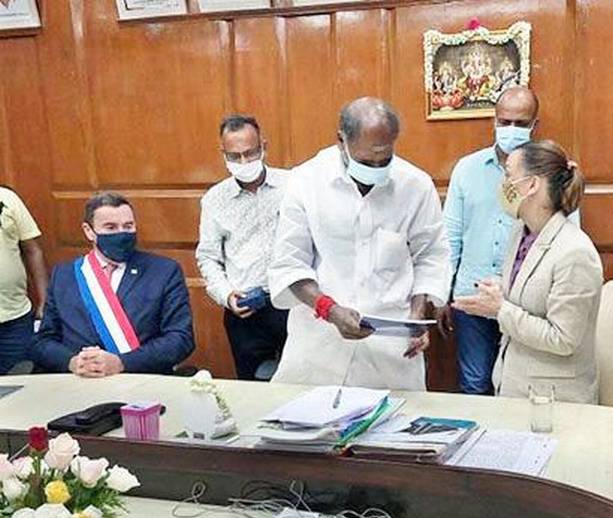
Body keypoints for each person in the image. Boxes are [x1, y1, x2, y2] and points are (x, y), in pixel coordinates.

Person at [268, 97, 451, 391]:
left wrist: (416, 318)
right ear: (341, 141)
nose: (376, 167)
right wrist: (329, 310)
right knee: (307, 414)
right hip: (319, 342)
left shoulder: (415, 185)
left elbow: (431, 256)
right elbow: (290, 263)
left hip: (390, 347)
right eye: (366, 162)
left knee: (394, 419)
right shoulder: (306, 181)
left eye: (385, 160)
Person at [441, 86, 580, 395]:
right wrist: (441, 294)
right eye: (505, 122)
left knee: (517, 385)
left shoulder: (555, 175)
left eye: (520, 123)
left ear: (535, 125)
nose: (511, 129)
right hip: (473, 296)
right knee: (475, 384)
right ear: (494, 120)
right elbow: (450, 236)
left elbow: (565, 239)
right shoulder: (467, 169)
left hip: (526, 302)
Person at [452, 140, 603, 404]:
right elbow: (530, 291)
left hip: (554, 401)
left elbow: (563, 338)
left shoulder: (575, 252)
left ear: (532, 185)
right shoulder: (521, 232)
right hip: (515, 388)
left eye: (509, 175)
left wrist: (500, 309)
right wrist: (498, 289)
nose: (503, 184)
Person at [33, 192, 195, 377]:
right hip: (79, 382)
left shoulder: (164, 271)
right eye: (110, 227)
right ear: (89, 231)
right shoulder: (64, 275)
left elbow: (181, 339)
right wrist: (73, 362)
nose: (121, 233)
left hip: (141, 380)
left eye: (128, 226)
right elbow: (43, 341)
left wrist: (122, 363)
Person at [196, 115, 289, 380]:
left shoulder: (293, 185)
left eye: (250, 153)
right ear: (223, 154)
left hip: (293, 303)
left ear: (264, 147)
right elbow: (208, 257)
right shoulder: (215, 199)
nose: (244, 162)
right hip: (246, 312)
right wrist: (226, 295)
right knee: (253, 387)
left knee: (301, 384)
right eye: (235, 156)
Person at [0, 186, 48, 374]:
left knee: (22, 382)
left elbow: (32, 250)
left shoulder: (7, 198)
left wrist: (44, 302)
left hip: (15, 318)